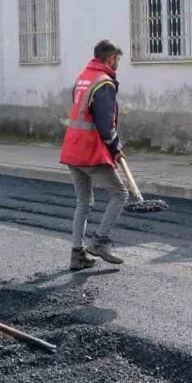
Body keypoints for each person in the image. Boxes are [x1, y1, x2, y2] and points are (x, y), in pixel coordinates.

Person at [58, 39, 129, 271]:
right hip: (89, 150)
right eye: (117, 59)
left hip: (72, 148)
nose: (118, 64)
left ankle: (77, 254)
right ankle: (99, 241)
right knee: (120, 194)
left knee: (83, 203)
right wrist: (116, 147)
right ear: (110, 59)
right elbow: (105, 123)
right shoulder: (104, 83)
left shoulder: (83, 77)